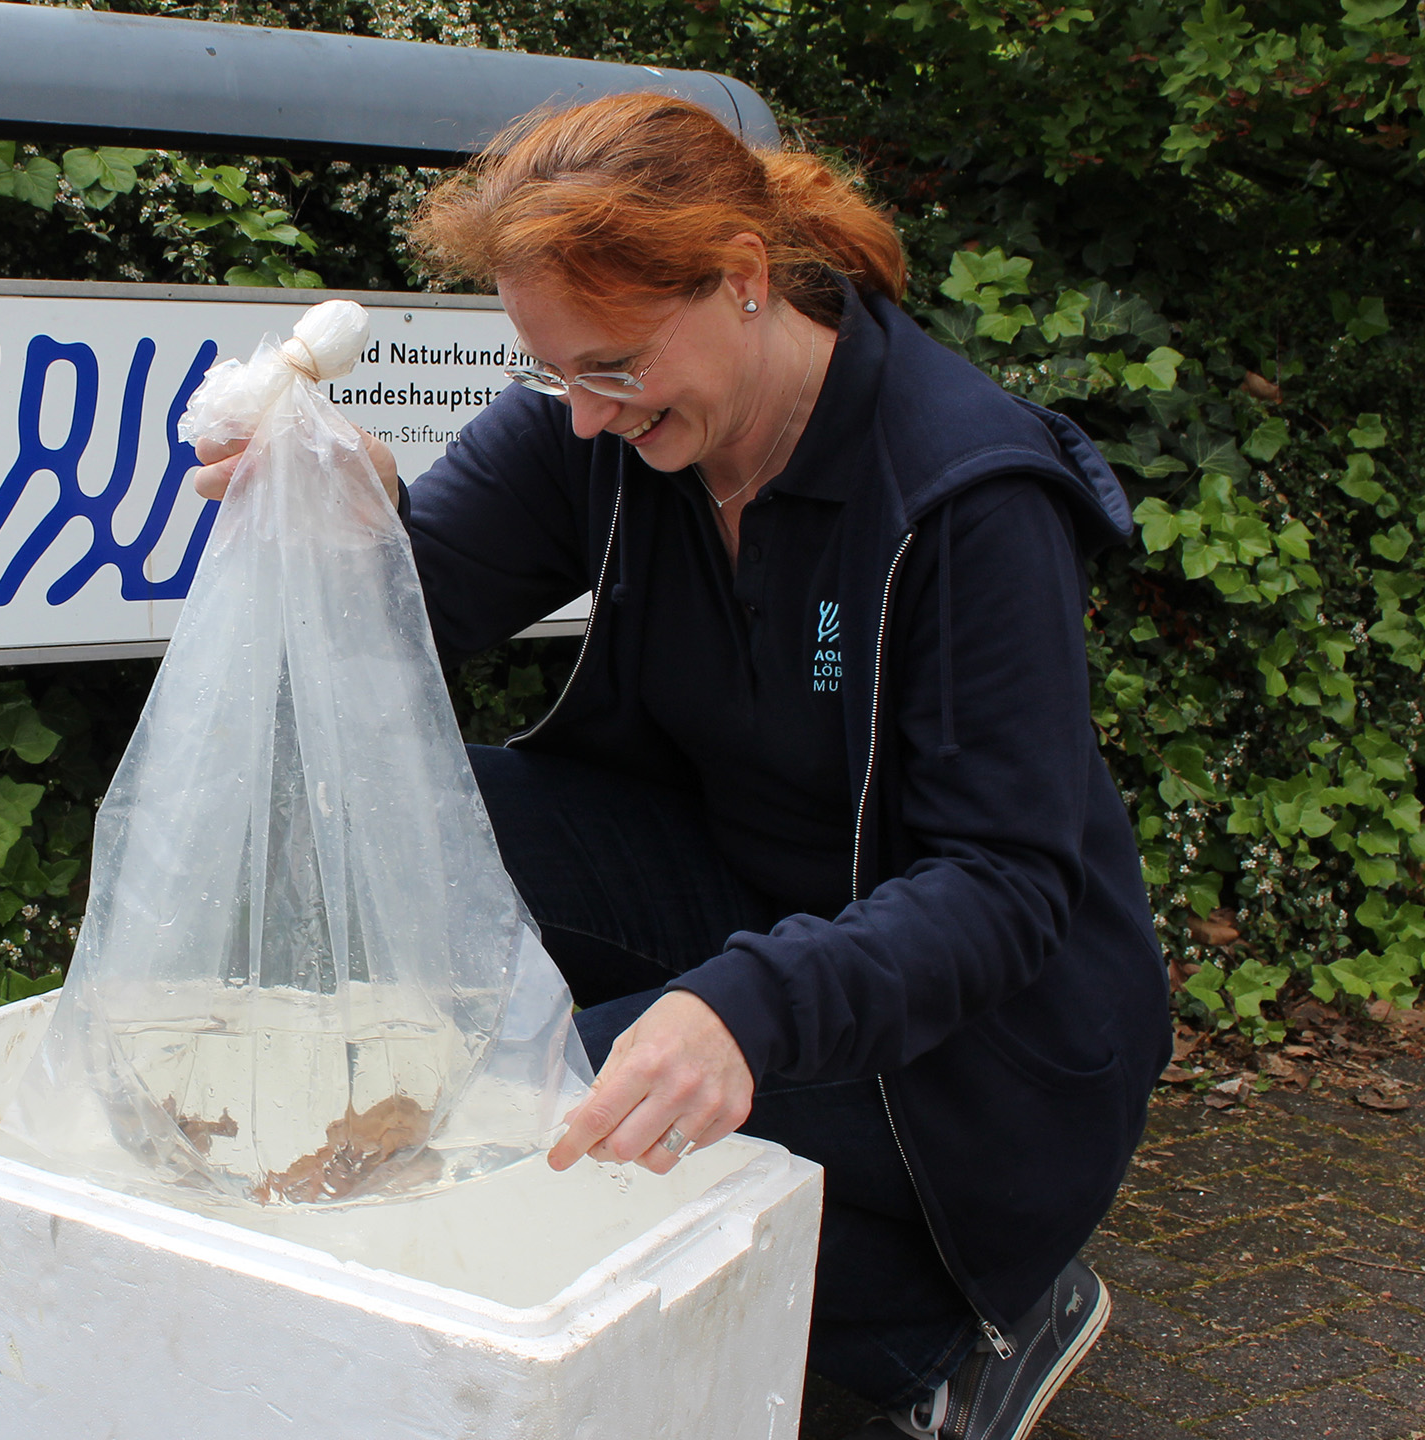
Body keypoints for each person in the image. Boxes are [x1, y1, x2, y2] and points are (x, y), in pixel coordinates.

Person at [190, 93, 1170, 1440]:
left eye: (615, 367)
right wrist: (344, 515)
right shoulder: (597, 425)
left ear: (744, 278)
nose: (588, 419)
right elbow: (402, 628)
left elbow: (1004, 886)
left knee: (556, 1110)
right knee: (395, 826)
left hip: (989, 1036)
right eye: (558, 376)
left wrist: (741, 1012)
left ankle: (946, 1325)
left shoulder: (966, 494)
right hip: (746, 893)